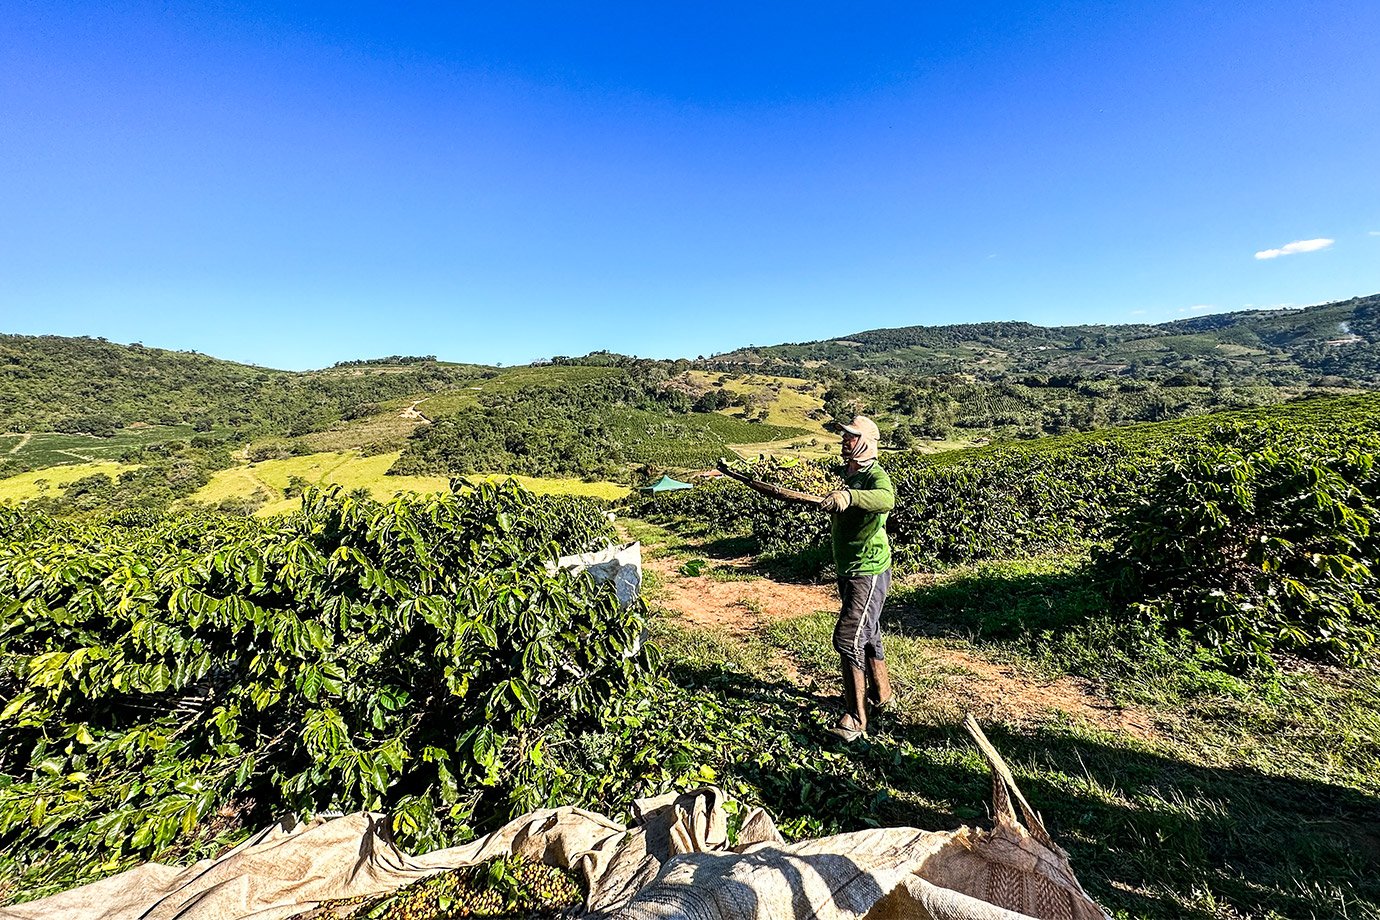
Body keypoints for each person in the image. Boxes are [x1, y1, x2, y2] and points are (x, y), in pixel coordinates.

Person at [818, 415, 895, 741]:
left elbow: (886, 499)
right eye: (844, 437)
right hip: (849, 568)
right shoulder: (847, 473)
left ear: (864, 442)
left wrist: (850, 497)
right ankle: (882, 696)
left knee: (848, 638)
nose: (844, 441)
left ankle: (856, 718)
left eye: (850, 437)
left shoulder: (874, 475)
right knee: (869, 634)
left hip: (869, 571)